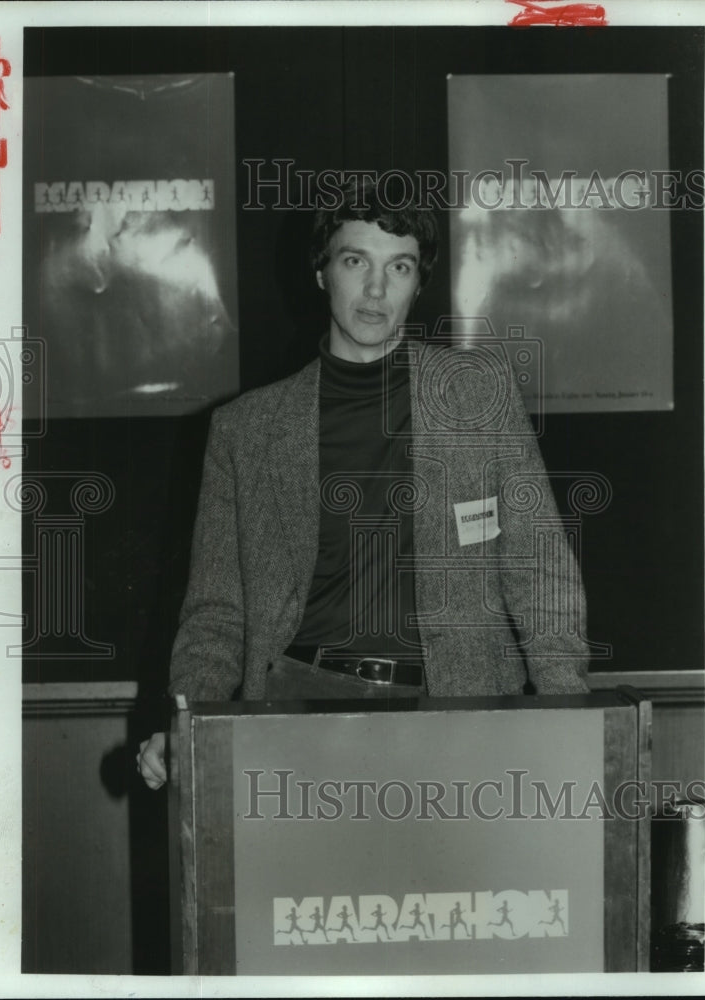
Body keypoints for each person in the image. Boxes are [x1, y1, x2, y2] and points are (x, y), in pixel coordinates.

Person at [137, 178, 590, 790]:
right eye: (356, 261)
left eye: (399, 267)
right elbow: (217, 612)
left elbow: (538, 570)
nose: (376, 289)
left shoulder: (476, 394)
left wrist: (567, 714)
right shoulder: (245, 430)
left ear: (418, 283)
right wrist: (184, 718)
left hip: (460, 711)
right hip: (298, 712)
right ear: (323, 272)